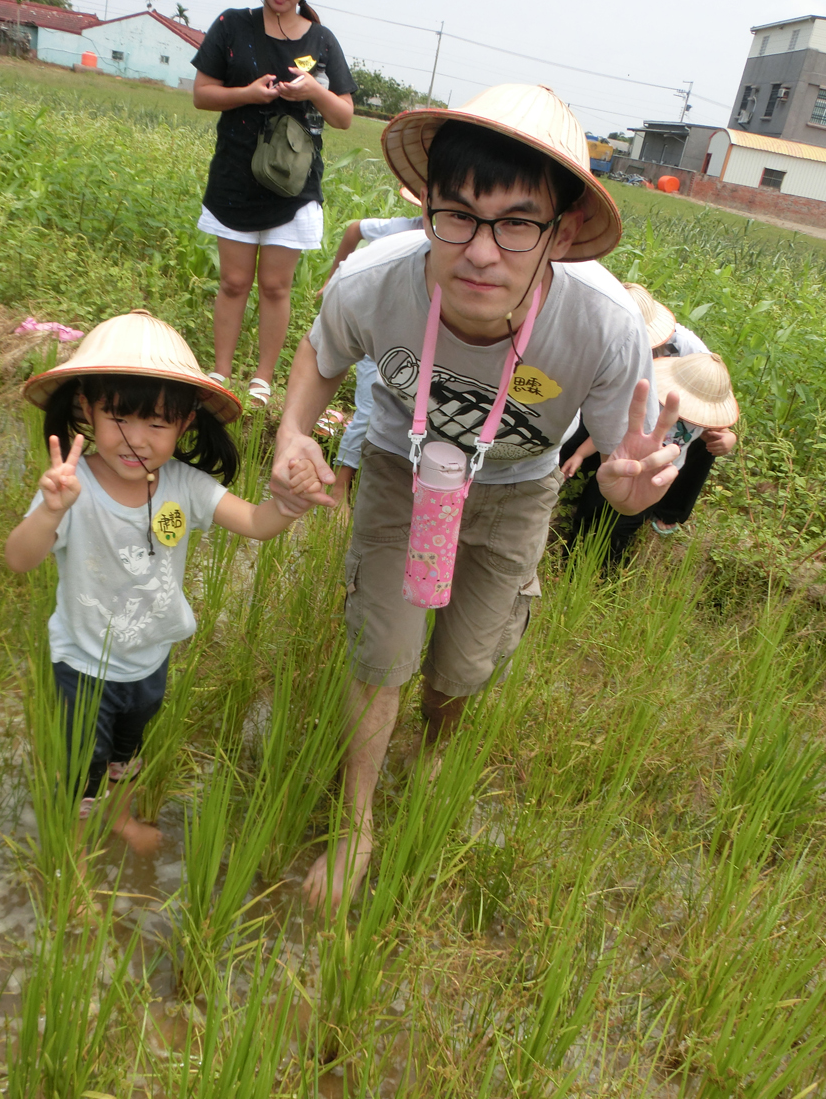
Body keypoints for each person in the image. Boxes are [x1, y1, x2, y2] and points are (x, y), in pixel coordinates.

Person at [272, 84, 685, 909]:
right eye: (456, 215)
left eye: (516, 223)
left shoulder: (602, 325)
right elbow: (321, 355)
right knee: (381, 649)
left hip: (516, 489)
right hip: (400, 465)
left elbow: (620, 474)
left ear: (560, 232)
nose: (480, 252)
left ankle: (434, 749)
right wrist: (291, 434)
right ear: (426, 206)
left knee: (460, 666)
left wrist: (621, 490)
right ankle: (355, 824)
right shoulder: (375, 281)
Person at [5, 311, 312, 855]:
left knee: (127, 753)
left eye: (158, 424)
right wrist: (51, 511)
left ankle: (119, 819)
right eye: (119, 417)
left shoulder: (185, 486)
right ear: (86, 409)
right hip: (82, 665)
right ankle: (72, 854)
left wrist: (286, 504)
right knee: (82, 769)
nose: (138, 440)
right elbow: (19, 559)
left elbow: (257, 524)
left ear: (186, 424)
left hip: (149, 660)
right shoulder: (73, 490)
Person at [191, 0, 356, 407]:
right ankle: (221, 373)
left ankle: (263, 378)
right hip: (235, 177)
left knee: (276, 287)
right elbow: (202, 94)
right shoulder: (231, 24)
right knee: (232, 282)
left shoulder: (321, 39)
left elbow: (344, 116)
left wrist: (312, 90)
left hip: (293, 185)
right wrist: (248, 94)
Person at [562, 283, 739, 561]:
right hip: (621, 427)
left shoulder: (690, 356)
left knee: (623, 523)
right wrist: (580, 453)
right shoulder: (596, 336)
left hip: (659, 455)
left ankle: (666, 513)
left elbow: (714, 415)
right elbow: (605, 415)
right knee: (593, 505)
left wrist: (726, 437)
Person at [321, 189, 426, 505]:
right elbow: (354, 228)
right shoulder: (403, 228)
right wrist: (332, 277)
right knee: (367, 411)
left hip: (418, 346)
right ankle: (339, 487)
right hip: (377, 339)